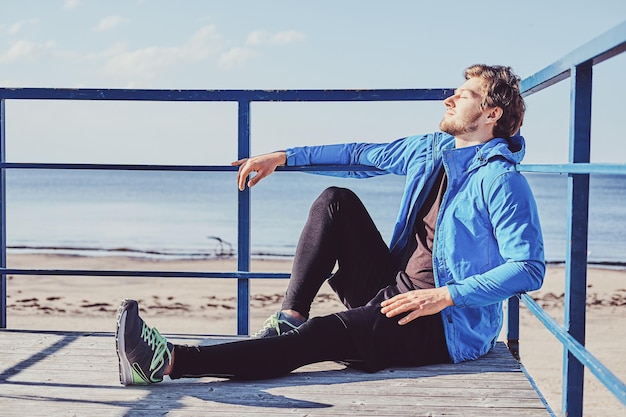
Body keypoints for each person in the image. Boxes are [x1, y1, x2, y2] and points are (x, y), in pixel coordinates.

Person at [116, 64, 545, 385]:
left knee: (321, 334)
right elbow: (357, 154)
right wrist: (283, 157)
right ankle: (289, 315)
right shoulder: (431, 150)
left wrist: (447, 296)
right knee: (335, 202)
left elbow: (528, 268)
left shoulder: (502, 182)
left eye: (464, 95)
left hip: (439, 324)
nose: (449, 100)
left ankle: (167, 362)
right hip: (393, 285)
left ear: (491, 113)